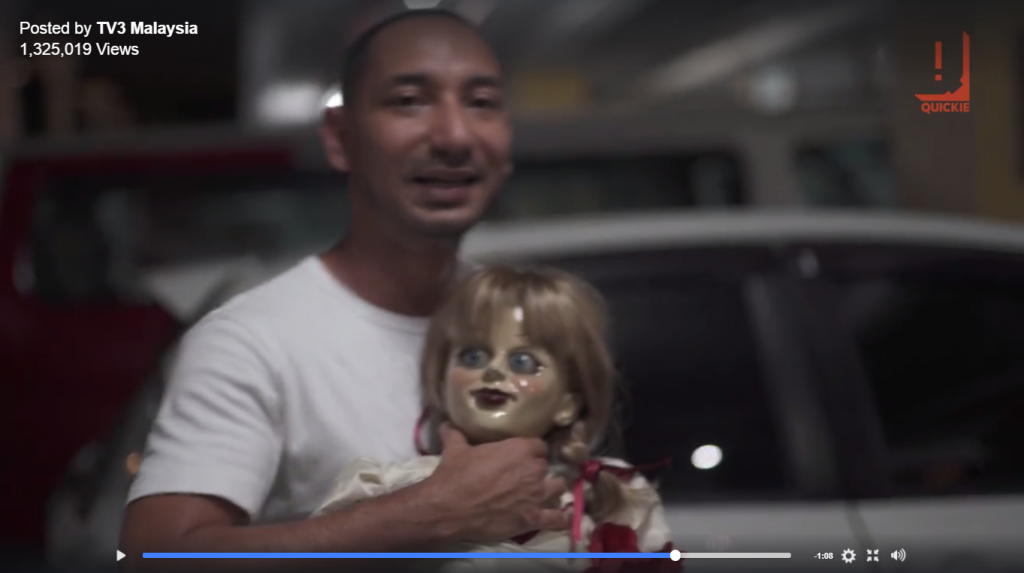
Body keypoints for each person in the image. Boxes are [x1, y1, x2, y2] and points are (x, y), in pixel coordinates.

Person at [120, 9, 570, 570]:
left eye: (481, 102)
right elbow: (151, 556)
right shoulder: (251, 341)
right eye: (409, 101)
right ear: (340, 137)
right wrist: (427, 513)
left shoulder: (529, 322)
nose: (455, 135)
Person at [314, 266, 677, 571]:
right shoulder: (383, 490)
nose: (493, 372)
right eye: (473, 357)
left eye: (523, 362)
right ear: (441, 382)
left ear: (569, 402)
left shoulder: (616, 493)